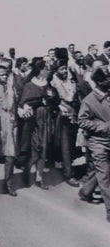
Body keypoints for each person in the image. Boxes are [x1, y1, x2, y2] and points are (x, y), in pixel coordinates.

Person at [19, 65, 59, 190]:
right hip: (34, 122)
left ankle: (39, 178)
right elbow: (23, 102)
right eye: (45, 68)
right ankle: (27, 169)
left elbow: (56, 101)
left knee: (44, 150)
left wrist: (51, 103)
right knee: (37, 149)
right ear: (39, 70)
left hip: (47, 121)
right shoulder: (29, 85)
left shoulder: (49, 86)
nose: (47, 70)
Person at [78, 68, 110, 222]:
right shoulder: (89, 100)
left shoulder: (108, 94)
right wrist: (102, 127)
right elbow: (82, 121)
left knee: (102, 170)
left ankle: (86, 191)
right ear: (99, 81)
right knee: (104, 174)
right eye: (108, 78)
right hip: (98, 142)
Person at [50, 59, 80, 187]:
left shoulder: (70, 79)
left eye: (65, 68)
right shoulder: (52, 83)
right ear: (56, 70)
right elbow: (53, 100)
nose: (64, 71)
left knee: (72, 144)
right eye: (61, 69)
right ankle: (69, 174)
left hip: (74, 112)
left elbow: (75, 93)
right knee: (65, 144)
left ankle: (65, 164)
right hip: (60, 116)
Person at [0, 65, 18, 196]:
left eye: (6, 74)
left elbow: (13, 105)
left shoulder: (10, 88)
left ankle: (9, 184)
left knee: (10, 155)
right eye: (2, 75)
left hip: (9, 124)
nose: (5, 77)